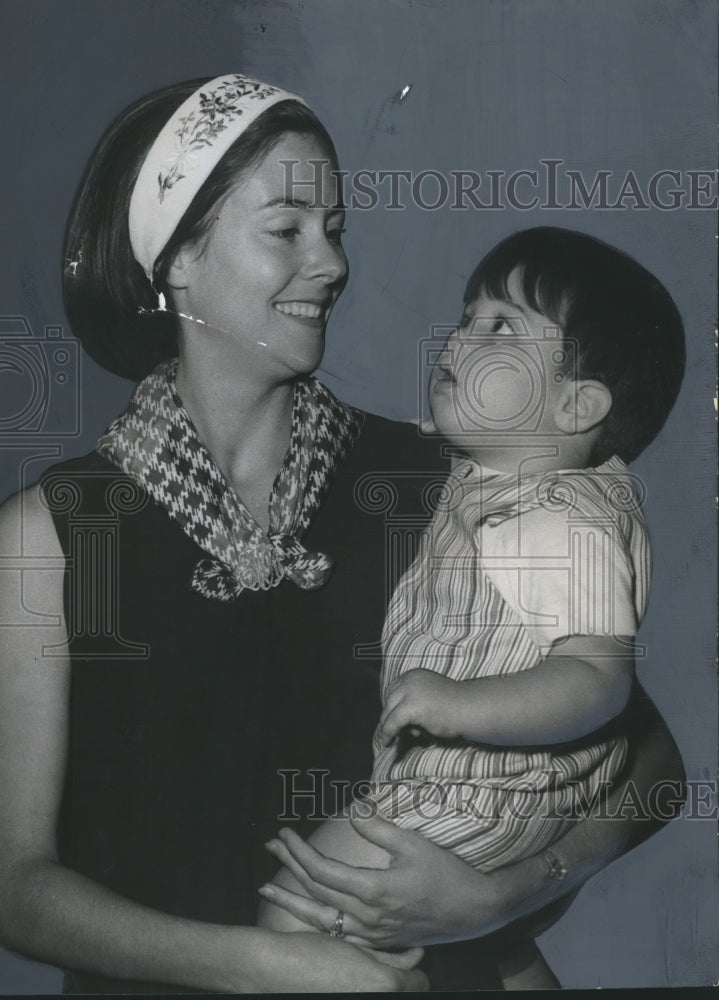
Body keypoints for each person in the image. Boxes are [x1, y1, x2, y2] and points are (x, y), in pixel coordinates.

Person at [0, 75, 684, 995]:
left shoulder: (443, 484)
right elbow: (16, 889)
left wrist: (502, 895)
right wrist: (261, 966)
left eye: (335, 229)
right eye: (286, 230)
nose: (330, 263)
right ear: (176, 261)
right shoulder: (47, 539)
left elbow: (651, 765)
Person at [257, 226, 686, 989]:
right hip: (471, 797)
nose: (458, 336)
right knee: (440, 941)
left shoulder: (561, 519)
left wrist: (460, 707)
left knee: (297, 913)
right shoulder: (492, 473)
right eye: (467, 315)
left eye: (500, 327)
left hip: (484, 791)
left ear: (576, 404)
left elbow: (604, 689)